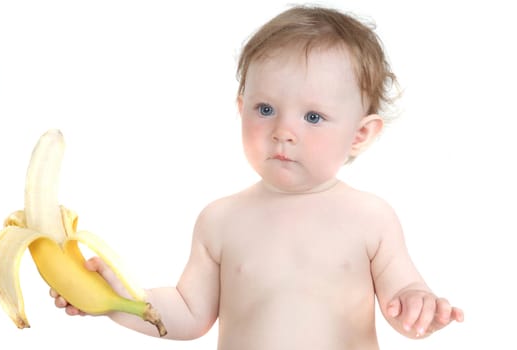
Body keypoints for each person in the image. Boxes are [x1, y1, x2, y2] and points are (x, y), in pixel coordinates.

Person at [51, 5, 463, 349]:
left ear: (360, 134)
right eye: (265, 109)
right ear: (241, 107)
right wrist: (117, 300)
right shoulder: (220, 220)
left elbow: (403, 294)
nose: (283, 130)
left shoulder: (371, 218)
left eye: (313, 117)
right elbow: (189, 313)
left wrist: (417, 305)